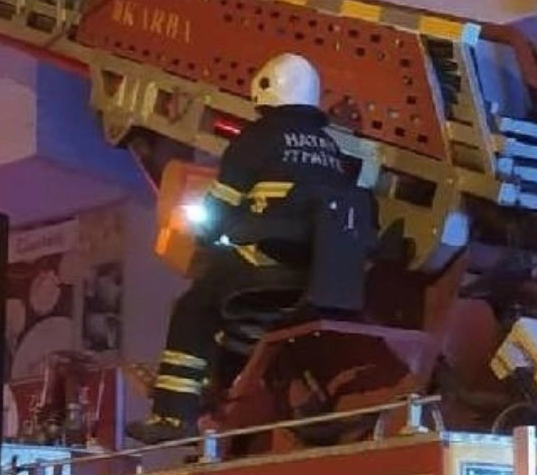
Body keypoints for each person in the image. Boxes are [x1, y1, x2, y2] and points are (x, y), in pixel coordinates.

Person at [125, 53, 376, 445]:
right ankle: (272, 395)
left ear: (267, 87)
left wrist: (207, 232)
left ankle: (173, 415)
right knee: (264, 321)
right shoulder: (330, 149)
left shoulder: (257, 139)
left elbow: (222, 206)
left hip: (263, 265)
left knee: (194, 308)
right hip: (320, 277)